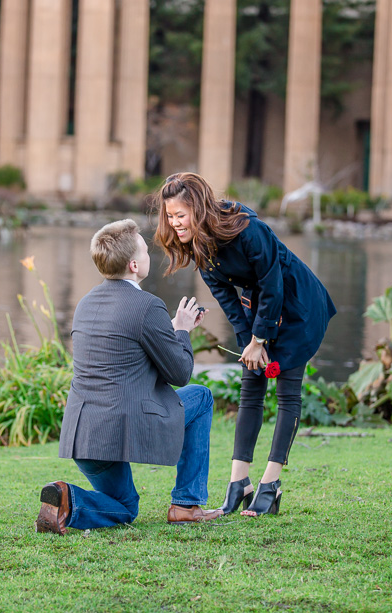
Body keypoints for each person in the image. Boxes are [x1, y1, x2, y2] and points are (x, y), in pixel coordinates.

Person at [152, 172, 336, 517]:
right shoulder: (199, 245)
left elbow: (272, 282)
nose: (174, 223)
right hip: (260, 308)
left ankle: (270, 484)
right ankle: (239, 483)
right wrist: (249, 345)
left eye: (180, 215)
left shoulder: (248, 229)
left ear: (199, 208)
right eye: (170, 216)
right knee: (251, 384)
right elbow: (228, 301)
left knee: (287, 392)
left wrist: (260, 338)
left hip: (297, 305)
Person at [35, 218, 221, 535]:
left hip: (83, 435)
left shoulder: (85, 303)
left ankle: (68, 498)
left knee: (125, 508)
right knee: (201, 397)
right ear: (134, 264)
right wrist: (182, 330)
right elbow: (180, 373)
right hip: (120, 429)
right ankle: (186, 505)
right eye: (146, 251)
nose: (150, 256)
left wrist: (170, 328)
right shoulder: (147, 306)